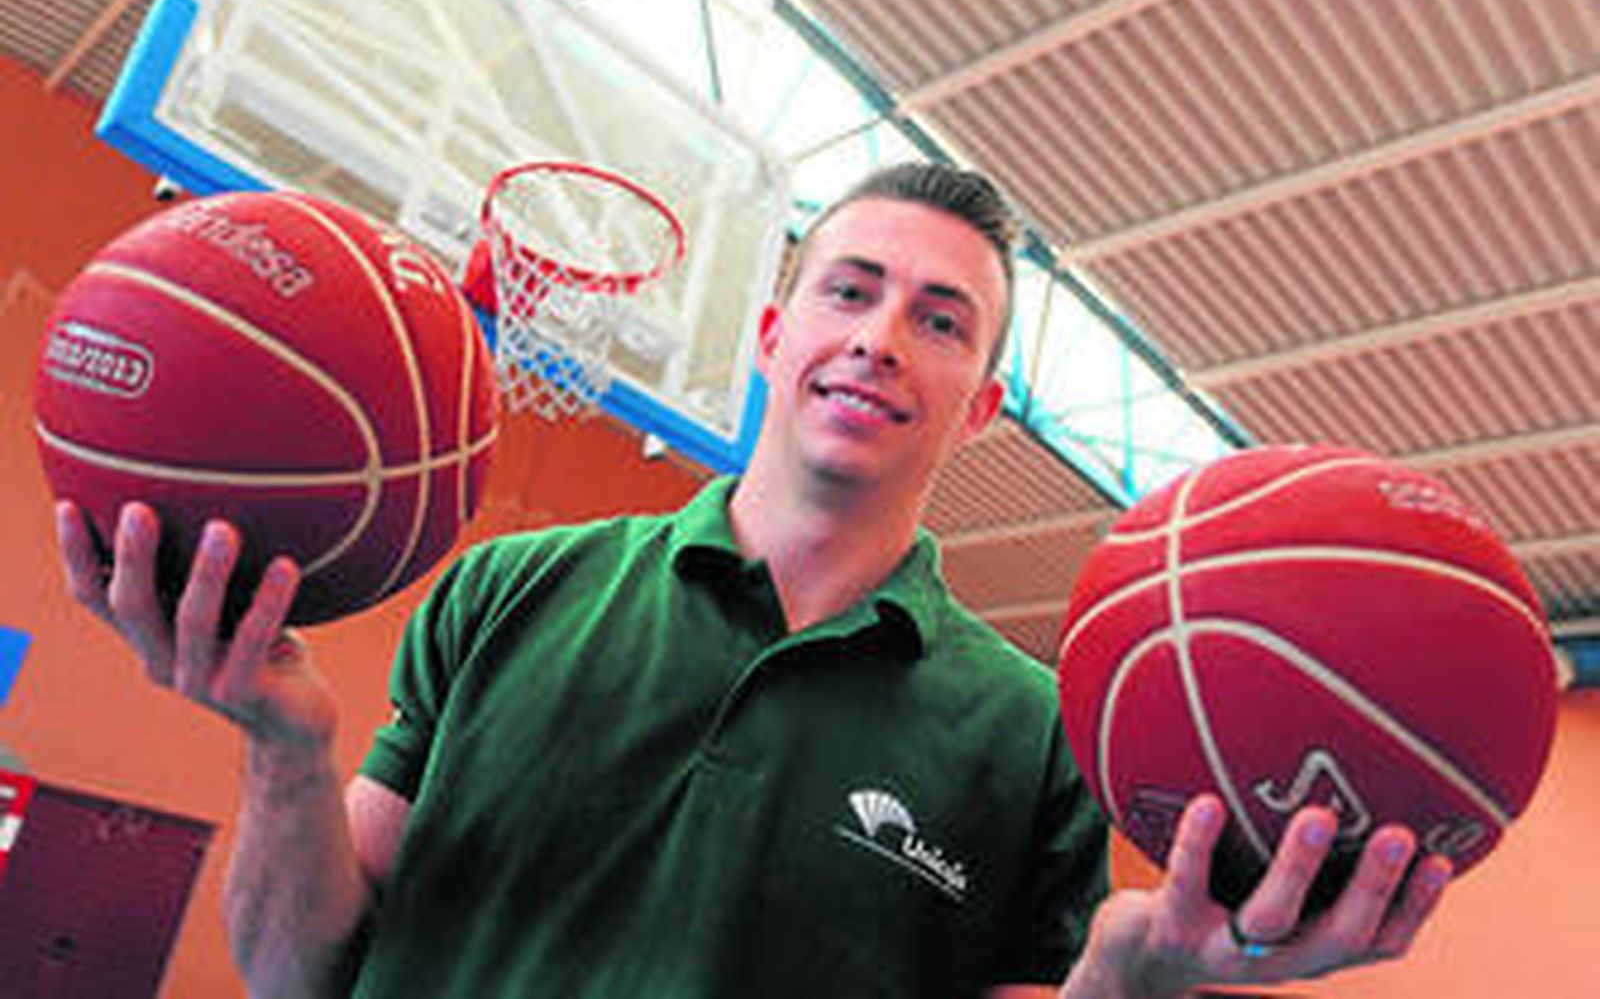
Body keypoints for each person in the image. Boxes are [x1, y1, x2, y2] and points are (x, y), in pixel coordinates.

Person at [56, 163, 1452, 998]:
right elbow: (299, 977)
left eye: (940, 320)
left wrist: (1129, 984)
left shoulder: (1040, 734)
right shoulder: (506, 592)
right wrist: (286, 752)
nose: (880, 337)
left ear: (982, 406)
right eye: (850, 291)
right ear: (776, 337)